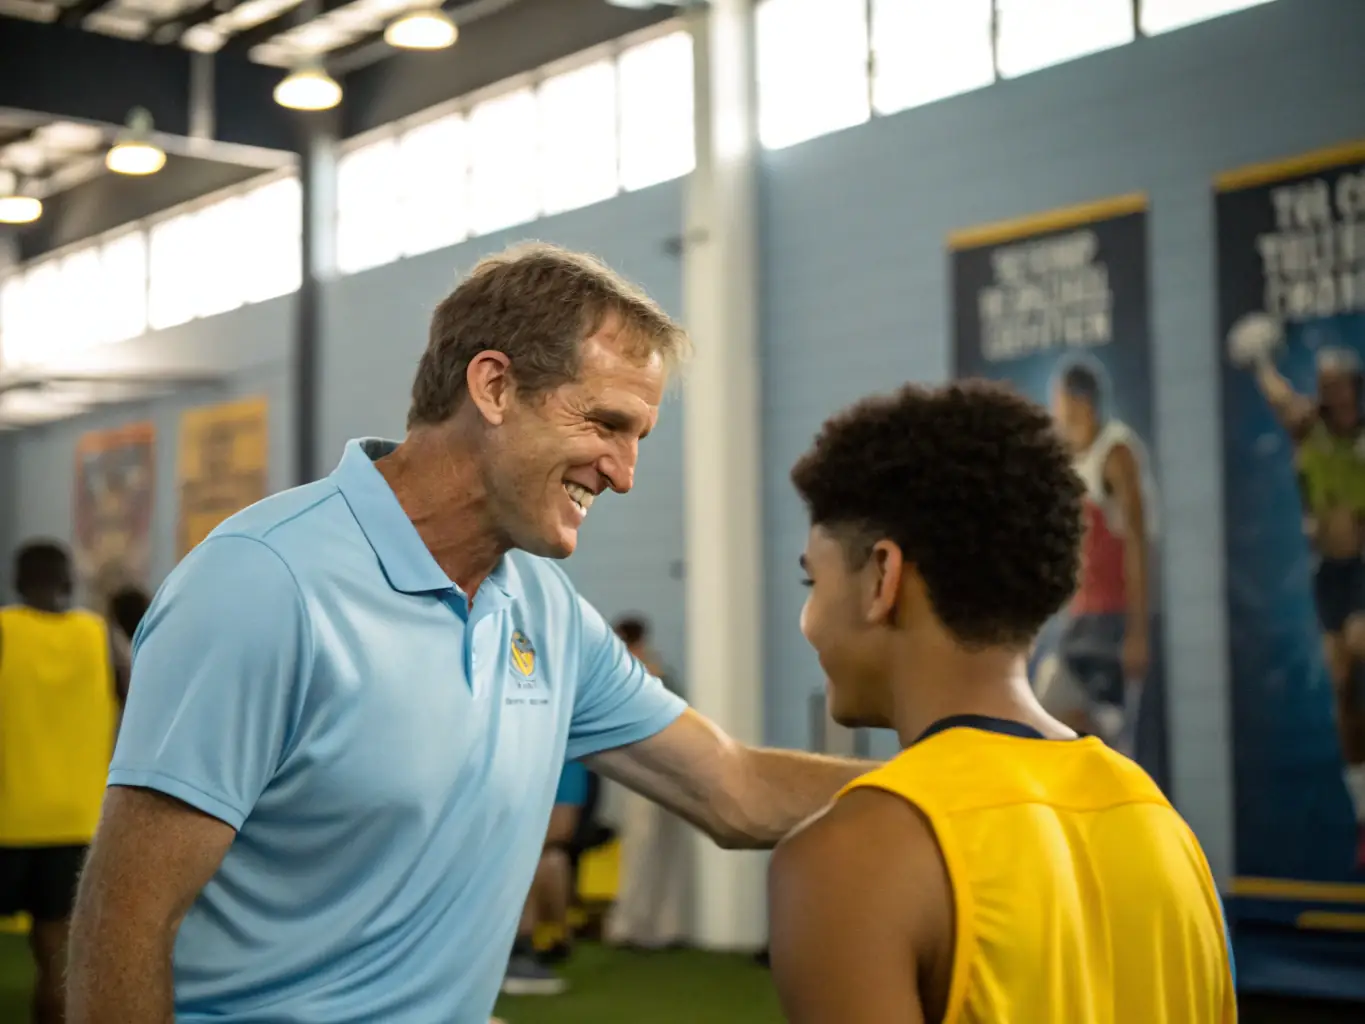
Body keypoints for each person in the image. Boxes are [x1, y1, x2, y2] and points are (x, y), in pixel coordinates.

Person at [66, 243, 874, 1024]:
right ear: (492, 387)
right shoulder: (262, 584)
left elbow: (729, 788)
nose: (623, 473)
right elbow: (124, 922)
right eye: (605, 424)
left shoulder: (547, 613)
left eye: (638, 440)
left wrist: (972, 780)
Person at [767, 381, 1235, 1023]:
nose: (807, 620)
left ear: (883, 577)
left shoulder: (848, 857)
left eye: (810, 580)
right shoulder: (1166, 829)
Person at [1241, 342, 1365, 868]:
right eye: (1324, 383)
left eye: (1339, 383)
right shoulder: (1306, 429)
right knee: (1342, 686)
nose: (1330, 392)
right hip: (1328, 577)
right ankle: (1363, 812)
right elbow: (1278, 397)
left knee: (1360, 646)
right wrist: (1260, 359)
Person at [0, 541, 121, 1024]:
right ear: (68, 581)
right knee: (54, 961)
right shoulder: (99, 635)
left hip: (8, 819)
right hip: (76, 823)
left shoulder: (5, 629)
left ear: (17, 581)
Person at [1043, 357, 1158, 756]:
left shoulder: (1117, 455)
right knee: (1046, 715)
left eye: (1058, 402)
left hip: (1114, 621)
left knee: (1110, 743)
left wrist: (1138, 632)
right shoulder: (1072, 458)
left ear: (1080, 403)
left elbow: (1139, 546)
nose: (1054, 411)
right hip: (1080, 621)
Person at [605, 614, 689, 950]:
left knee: (667, 850)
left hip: (671, 772)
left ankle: (663, 929)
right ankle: (628, 927)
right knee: (640, 851)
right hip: (638, 774)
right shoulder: (618, 677)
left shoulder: (662, 676)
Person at [501, 759, 591, 996]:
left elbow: (562, 826)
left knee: (543, 861)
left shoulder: (566, 760)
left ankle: (521, 951)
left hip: (521, 849)